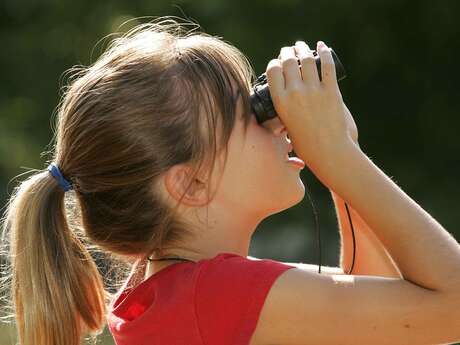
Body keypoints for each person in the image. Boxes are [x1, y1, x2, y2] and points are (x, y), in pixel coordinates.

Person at [1, 16, 460, 345]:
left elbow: (386, 326)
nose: (279, 122)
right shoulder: (214, 295)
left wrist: (341, 160)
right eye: (250, 114)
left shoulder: (176, 294)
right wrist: (339, 158)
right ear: (190, 185)